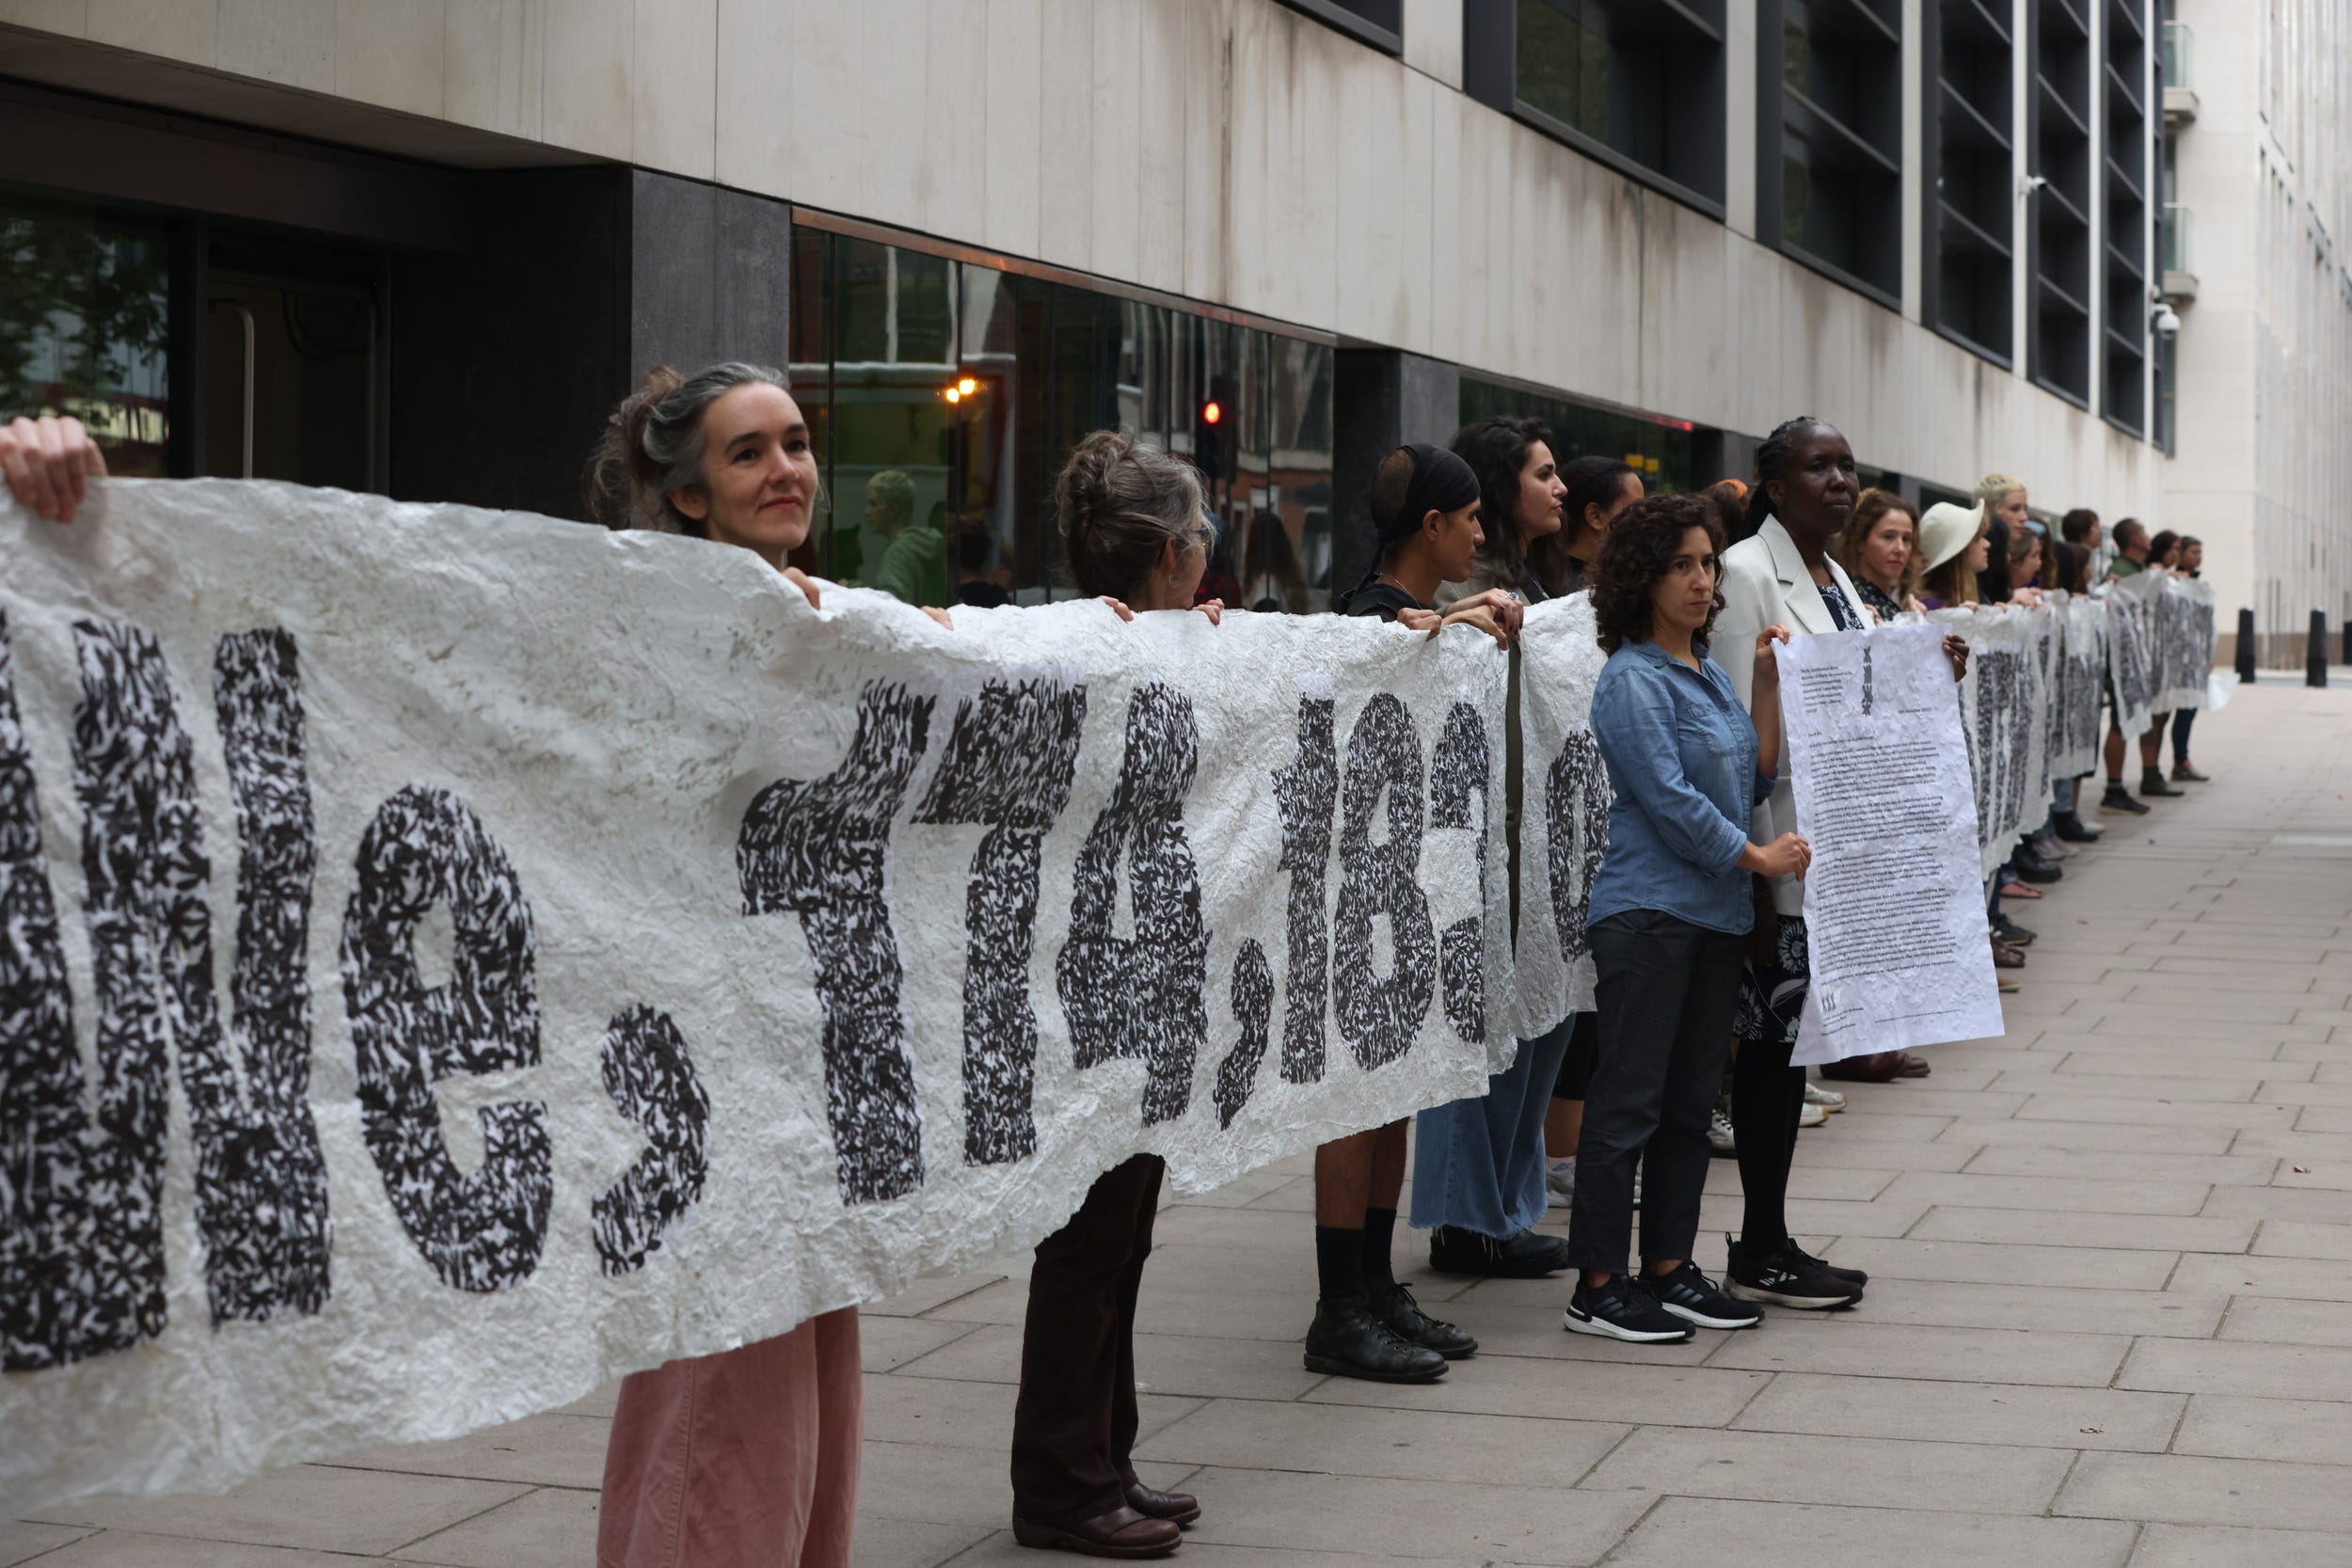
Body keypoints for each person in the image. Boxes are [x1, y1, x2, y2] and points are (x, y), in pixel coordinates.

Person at [580, 363, 882, 1568]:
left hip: (802, 1079)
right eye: (748, 451)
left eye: (797, 442)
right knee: (721, 1407)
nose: (786, 468)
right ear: (691, 493)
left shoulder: (823, 618)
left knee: (802, 1402)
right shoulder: (650, 619)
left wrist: (1123, 642)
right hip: (702, 1081)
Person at [1009, 430, 1227, 1560]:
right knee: (1088, 1237)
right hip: (1085, 980)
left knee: (1123, 1229)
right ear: (1166, 551)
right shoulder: (1076, 652)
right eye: (1199, 537)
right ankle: (1060, 1479)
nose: (1209, 555)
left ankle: (1105, 1451)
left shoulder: (1166, 642)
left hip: (1142, 974)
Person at [1716, 419, 1965, 1306]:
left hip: (1839, 858)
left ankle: (1772, 1234)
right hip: (1774, 860)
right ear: (1775, 488)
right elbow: (1728, 725)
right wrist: (1748, 874)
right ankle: (1760, 1241)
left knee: (1796, 1053)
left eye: (1846, 464)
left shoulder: (1845, 588)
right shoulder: (1748, 572)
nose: (1838, 478)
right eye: (1817, 466)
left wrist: (1933, 672)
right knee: (1772, 1053)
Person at [1563, 492, 1804, 1342]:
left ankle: (1667, 1266)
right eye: (1682, 565)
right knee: (1627, 1099)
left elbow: (1751, 776)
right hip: (1649, 914)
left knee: (1690, 1103)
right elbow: (1669, 801)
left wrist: (1766, 688)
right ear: (1642, 576)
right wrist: (1758, 859)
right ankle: (1597, 1282)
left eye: (1708, 563)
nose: (1703, 581)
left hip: (1712, 917)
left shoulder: (1702, 671)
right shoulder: (1632, 677)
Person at [1306, 442, 1520, 1384]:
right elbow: (1382, 654)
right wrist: (1456, 622)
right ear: (1429, 526)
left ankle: (1375, 1285)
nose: (1481, 531)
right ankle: (1337, 1306)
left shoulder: (1423, 623)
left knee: (1392, 1096)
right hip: (1355, 903)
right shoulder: (1365, 621)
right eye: (1469, 515)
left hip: (1404, 899)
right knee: (1351, 1106)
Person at [1414, 416, 1581, 1276]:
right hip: (1480, 843)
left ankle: (1507, 1208)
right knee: (1478, 1027)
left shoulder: (1544, 584)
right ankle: (1465, 1216)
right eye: (1544, 474)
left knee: (1540, 1022)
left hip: (1540, 837)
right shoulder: (1465, 591)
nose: (1560, 488)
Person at [2098, 518, 2173, 815]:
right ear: (2132, 539)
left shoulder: (2140, 571)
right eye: (2142, 532)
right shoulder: (2121, 572)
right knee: (2119, 721)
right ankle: (2113, 789)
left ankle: (2118, 787)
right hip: (2121, 662)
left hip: (2136, 660)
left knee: (2126, 721)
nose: (2148, 536)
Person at [1527, 455, 1642, 598]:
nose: (1642, 522)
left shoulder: (1543, 577)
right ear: (1595, 516)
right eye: (1634, 511)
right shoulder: (1564, 593)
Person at [1833, 488, 1924, 622]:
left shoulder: (1899, 601)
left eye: (1906, 539)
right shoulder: (1845, 599)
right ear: (1860, 542)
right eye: (1888, 537)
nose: (1900, 549)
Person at [2170, 536, 2210, 782]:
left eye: (2200, 552)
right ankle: (2178, 761)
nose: (2199, 557)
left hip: (2193, 656)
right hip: (2176, 656)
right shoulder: (2173, 581)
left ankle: (2181, 759)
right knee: (2179, 710)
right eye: (2194, 552)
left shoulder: (2196, 582)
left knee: (2189, 709)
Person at [1915, 500, 1988, 610]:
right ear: (1959, 552)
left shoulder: (1957, 600)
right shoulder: (1931, 608)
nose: (1987, 544)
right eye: (1977, 539)